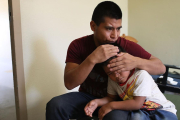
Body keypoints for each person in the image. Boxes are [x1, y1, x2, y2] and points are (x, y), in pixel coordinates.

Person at [46, 1, 166, 120]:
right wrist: (92, 59)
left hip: (118, 100)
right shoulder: (78, 45)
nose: (115, 35)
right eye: (109, 29)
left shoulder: (125, 47)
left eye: (118, 29)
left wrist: (136, 61)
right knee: (56, 105)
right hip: (87, 97)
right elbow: (69, 84)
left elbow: (161, 68)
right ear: (93, 26)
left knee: (114, 117)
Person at [84, 47, 177, 120]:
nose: (116, 75)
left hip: (162, 110)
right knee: (136, 118)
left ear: (126, 64)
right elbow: (110, 98)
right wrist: (97, 102)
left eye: (119, 69)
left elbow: (137, 103)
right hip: (142, 112)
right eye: (110, 73)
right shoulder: (112, 80)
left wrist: (110, 106)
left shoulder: (141, 74)